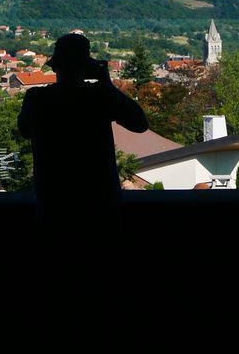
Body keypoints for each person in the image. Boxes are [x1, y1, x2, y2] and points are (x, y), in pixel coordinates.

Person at [17, 32, 149, 236]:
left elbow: (24, 130)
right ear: (87, 66)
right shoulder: (99, 96)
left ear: (55, 66)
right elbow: (140, 123)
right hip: (100, 203)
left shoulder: (36, 99)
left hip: (54, 202)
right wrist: (107, 85)